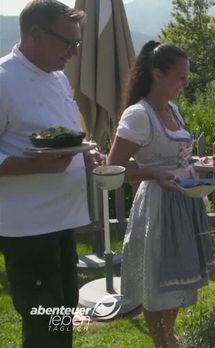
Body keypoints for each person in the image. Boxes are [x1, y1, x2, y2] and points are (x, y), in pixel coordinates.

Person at [0, 1, 105, 347]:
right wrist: (38, 165)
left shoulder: (58, 78)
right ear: (36, 35)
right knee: (44, 321)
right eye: (67, 43)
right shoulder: (4, 80)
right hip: (28, 228)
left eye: (77, 44)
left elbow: (64, 134)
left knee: (62, 312)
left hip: (61, 220)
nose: (73, 53)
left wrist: (86, 155)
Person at [107, 41, 214, 348]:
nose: (185, 83)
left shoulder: (174, 110)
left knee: (177, 275)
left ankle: (170, 335)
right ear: (157, 74)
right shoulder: (138, 115)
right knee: (157, 278)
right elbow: (114, 168)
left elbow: (178, 157)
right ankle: (161, 341)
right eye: (180, 77)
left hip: (184, 201)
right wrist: (154, 174)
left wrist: (199, 164)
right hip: (157, 205)